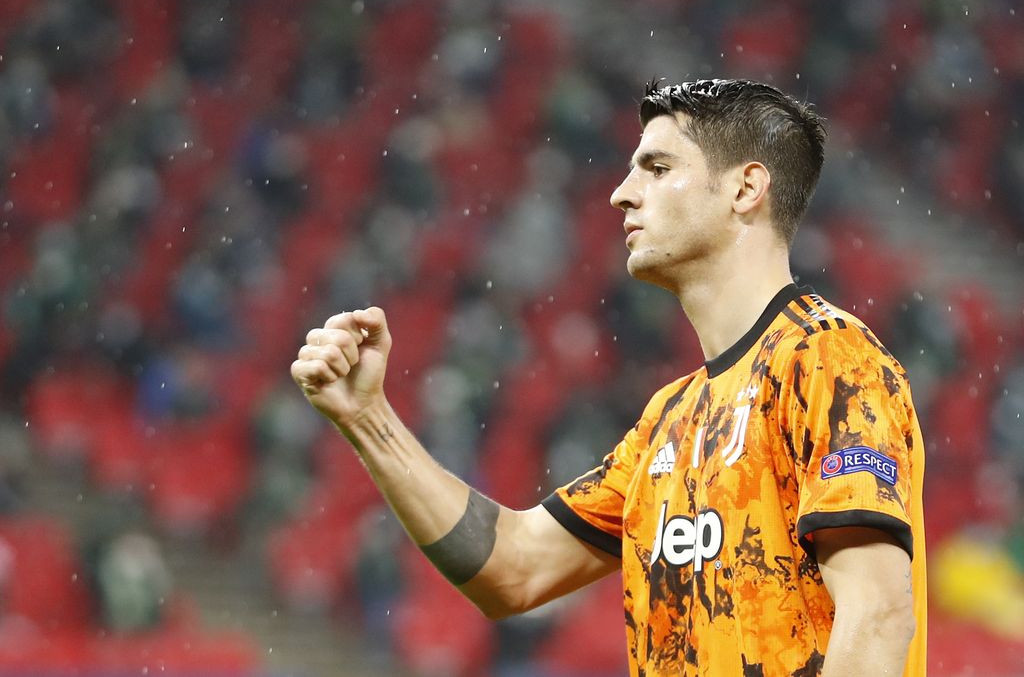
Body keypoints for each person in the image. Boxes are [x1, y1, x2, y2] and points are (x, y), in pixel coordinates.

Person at [291, 79, 926, 677]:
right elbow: (511, 568)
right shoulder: (669, 421)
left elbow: (877, 614)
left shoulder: (827, 361)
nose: (622, 193)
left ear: (745, 189)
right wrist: (367, 417)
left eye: (656, 168)